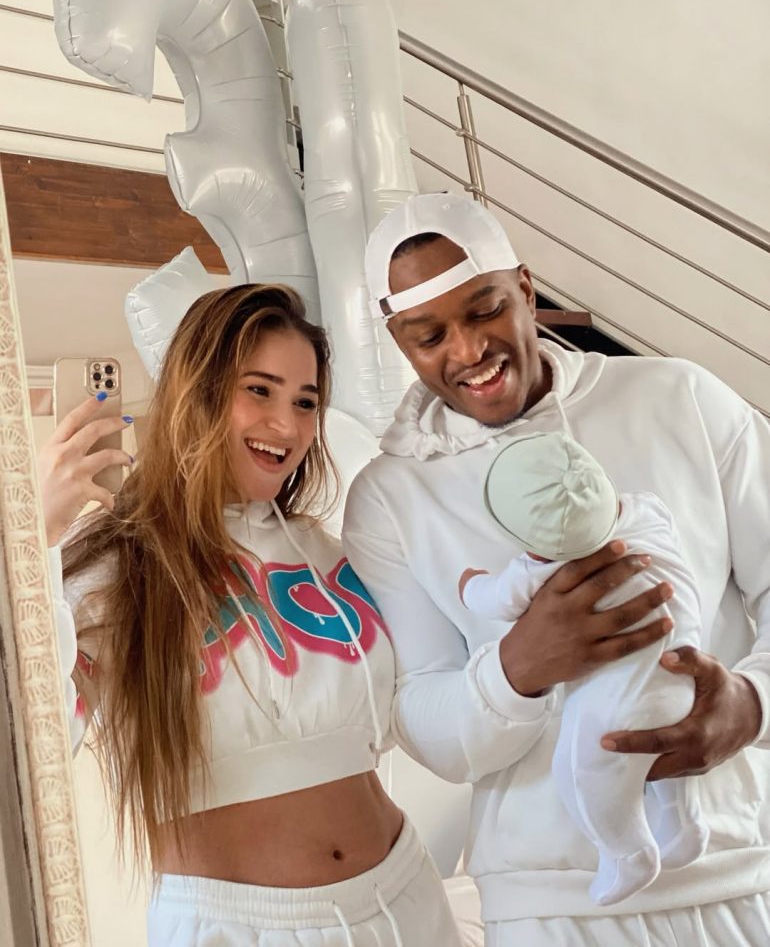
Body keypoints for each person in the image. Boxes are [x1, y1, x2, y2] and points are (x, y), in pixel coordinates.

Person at [342, 192, 770, 945]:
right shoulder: (390, 496)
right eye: (428, 335)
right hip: (545, 907)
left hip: (740, 870)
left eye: (485, 310)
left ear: (526, 288)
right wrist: (517, 668)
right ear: (398, 343)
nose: (467, 351)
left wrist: (753, 704)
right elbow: (423, 722)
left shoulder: (682, 398)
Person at [41, 284, 462, 947]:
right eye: (259, 391)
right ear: (199, 393)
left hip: (407, 897)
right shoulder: (114, 569)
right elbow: (35, 734)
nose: (287, 426)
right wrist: (34, 535)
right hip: (235, 927)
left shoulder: (329, 553)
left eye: (305, 402)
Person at [460, 430, 706, 907]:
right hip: (688, 673)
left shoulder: (540, 569)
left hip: (621, 702)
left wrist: (470, 584)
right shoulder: (647, 511)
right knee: (677, 757)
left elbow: (496, 600)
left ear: (530, 544)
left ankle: (627, 854)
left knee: (582, 774)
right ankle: (685, 824)